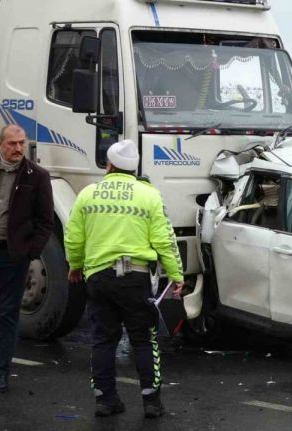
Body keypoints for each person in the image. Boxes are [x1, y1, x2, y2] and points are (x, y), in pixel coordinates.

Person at [64, 139, 183, 418]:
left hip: (98, 277)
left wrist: (75, 266)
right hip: (135, 279)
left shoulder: (88, 194)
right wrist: (176, 276)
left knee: (103, 338)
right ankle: (151, 402)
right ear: (134, 168)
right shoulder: (149, 195)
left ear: (108, 165)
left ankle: (106, 400)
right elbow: (165, 240)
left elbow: (73, 237)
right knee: (143, 338)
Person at [0, 124, 54, 394]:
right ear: (0, 144)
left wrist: (29, 251)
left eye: (21, 143)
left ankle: (1, 374)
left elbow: (45, 221)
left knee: (7, 316)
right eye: (12, 144)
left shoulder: (36, 176)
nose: (18, 148)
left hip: (12, 256)